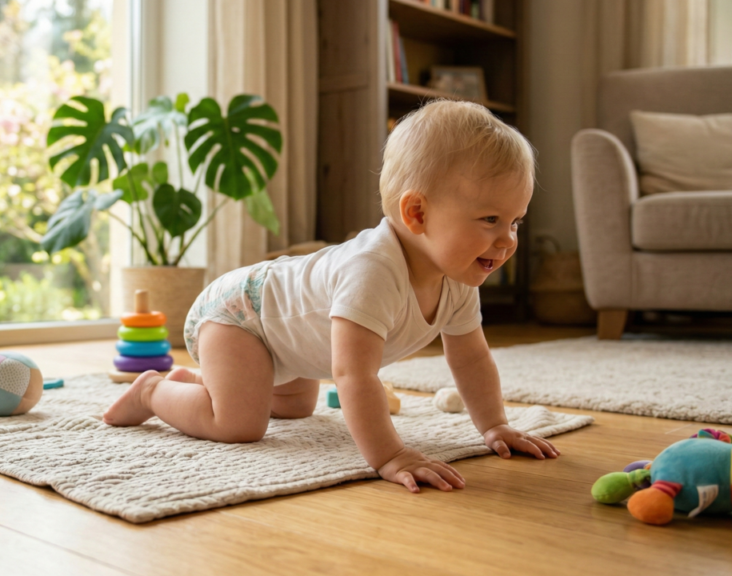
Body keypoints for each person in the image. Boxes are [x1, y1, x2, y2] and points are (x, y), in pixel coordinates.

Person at [104, 99, 558, 493]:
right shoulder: (373, 271)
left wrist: (495, 424)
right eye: (490, 220)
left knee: (296, 407)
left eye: (515, 222)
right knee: (240, 424)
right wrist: (390, 455)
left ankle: (206, 386)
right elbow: (353, 374)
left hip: (289, 338)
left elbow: (471, 359)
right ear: (417, 212)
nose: (508, 241)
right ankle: (153, 391)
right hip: (241, 315)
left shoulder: (456, 275)